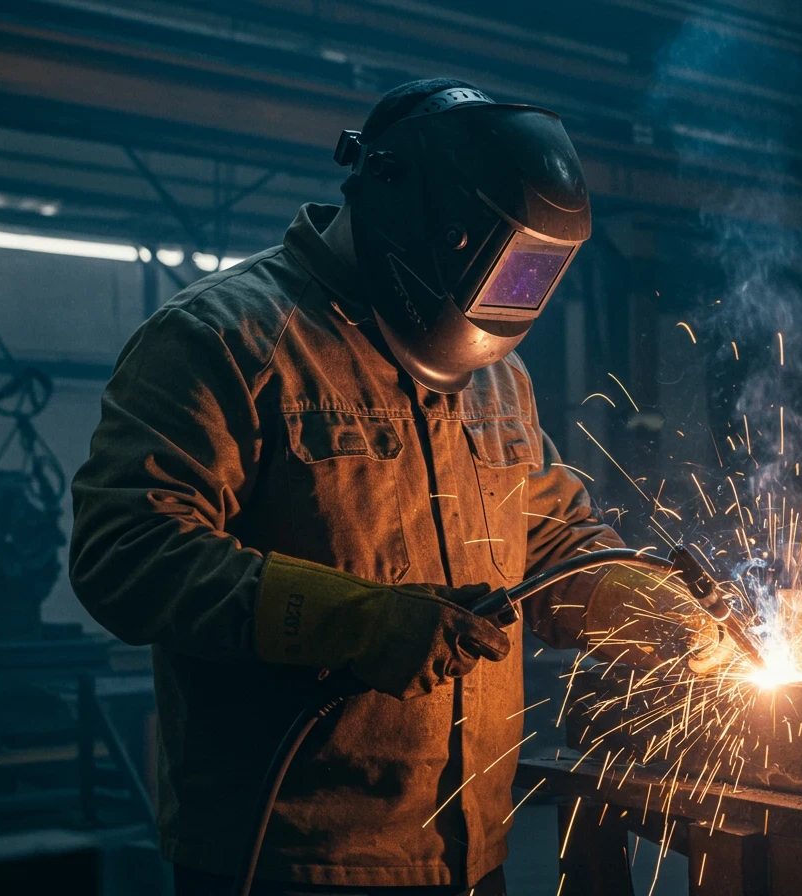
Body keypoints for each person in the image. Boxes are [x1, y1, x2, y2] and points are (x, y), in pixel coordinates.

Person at [70, 79, 718, 896]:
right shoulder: (221, 340)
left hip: (471, 849)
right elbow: (126, 553)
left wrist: (630, 599)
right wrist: (353, 622)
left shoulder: (494, 378)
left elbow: (550, 539)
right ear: (417, 219)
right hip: (290, 858)